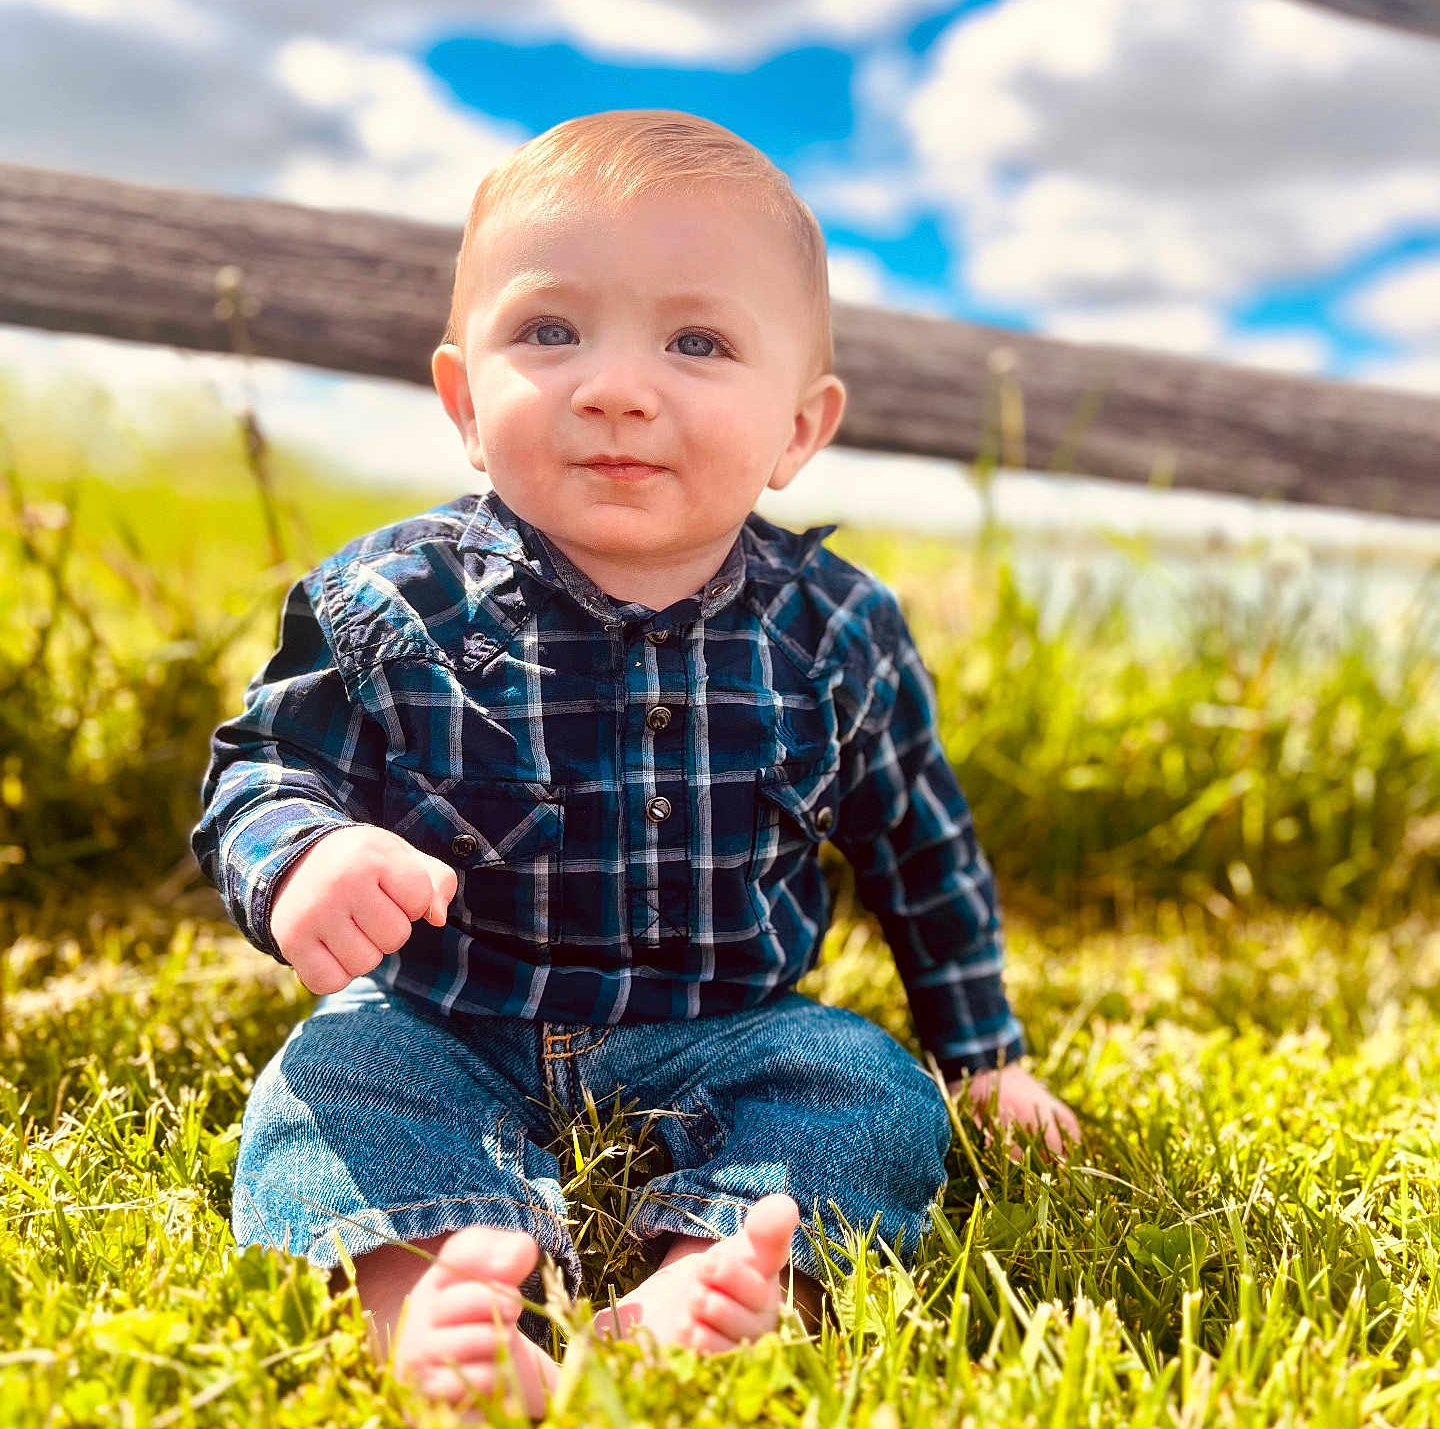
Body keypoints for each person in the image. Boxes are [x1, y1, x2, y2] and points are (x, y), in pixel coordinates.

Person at [192, 108, 1080, 1418]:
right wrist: (306, 851)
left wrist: (983, 1053)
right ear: (465, 401)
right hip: (446, 1017)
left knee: (863, 1087)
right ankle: (434, 1303)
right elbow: (265, 769)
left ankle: (714, 1282)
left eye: (697, 342)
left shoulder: (837, 631)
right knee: (332, 1084)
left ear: (797, 428)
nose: (615, 386)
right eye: (551, 331)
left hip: (731, 1030)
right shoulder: (387, 600)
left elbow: (920, 850)